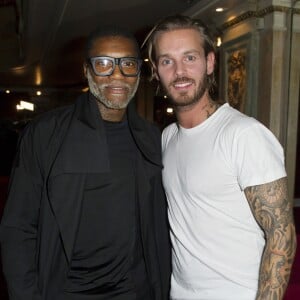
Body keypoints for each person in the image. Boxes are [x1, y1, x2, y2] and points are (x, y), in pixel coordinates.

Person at [0, 26, 171, 300]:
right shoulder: (46, 134)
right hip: (64, 292)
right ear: (86, 70)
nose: (117, 74)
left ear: (138, 71)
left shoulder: (153, 139)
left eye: (128, 63)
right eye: (103, 63)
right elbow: (18, 227)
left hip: (133, 291)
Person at [145, 14, 297, 300]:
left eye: (190, 57)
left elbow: (281, 234)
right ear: (155, 70)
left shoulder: (243, 135)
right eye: (167, 61)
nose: (179, 71)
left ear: (210, 62)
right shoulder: (167, 138)